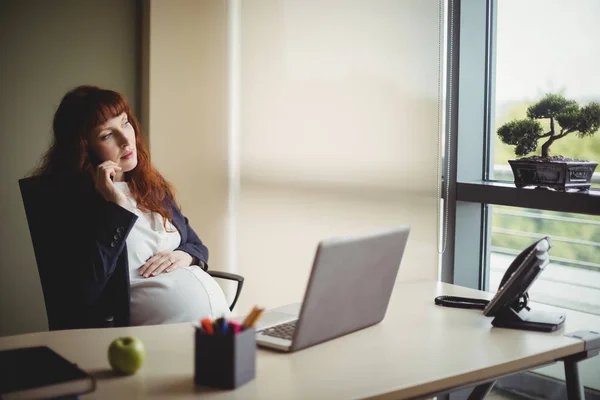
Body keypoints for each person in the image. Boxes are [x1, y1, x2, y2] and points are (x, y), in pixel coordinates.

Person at [29, 85, 231, 329]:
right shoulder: (71, 208)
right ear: (83, 150)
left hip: (220, 331)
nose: (127, 139)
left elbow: (198, 246)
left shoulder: (149, 186)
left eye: (125, 123)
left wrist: (183, 256)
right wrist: (118, 208)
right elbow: (80, 296)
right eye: (106, 135)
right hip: (147, 345)